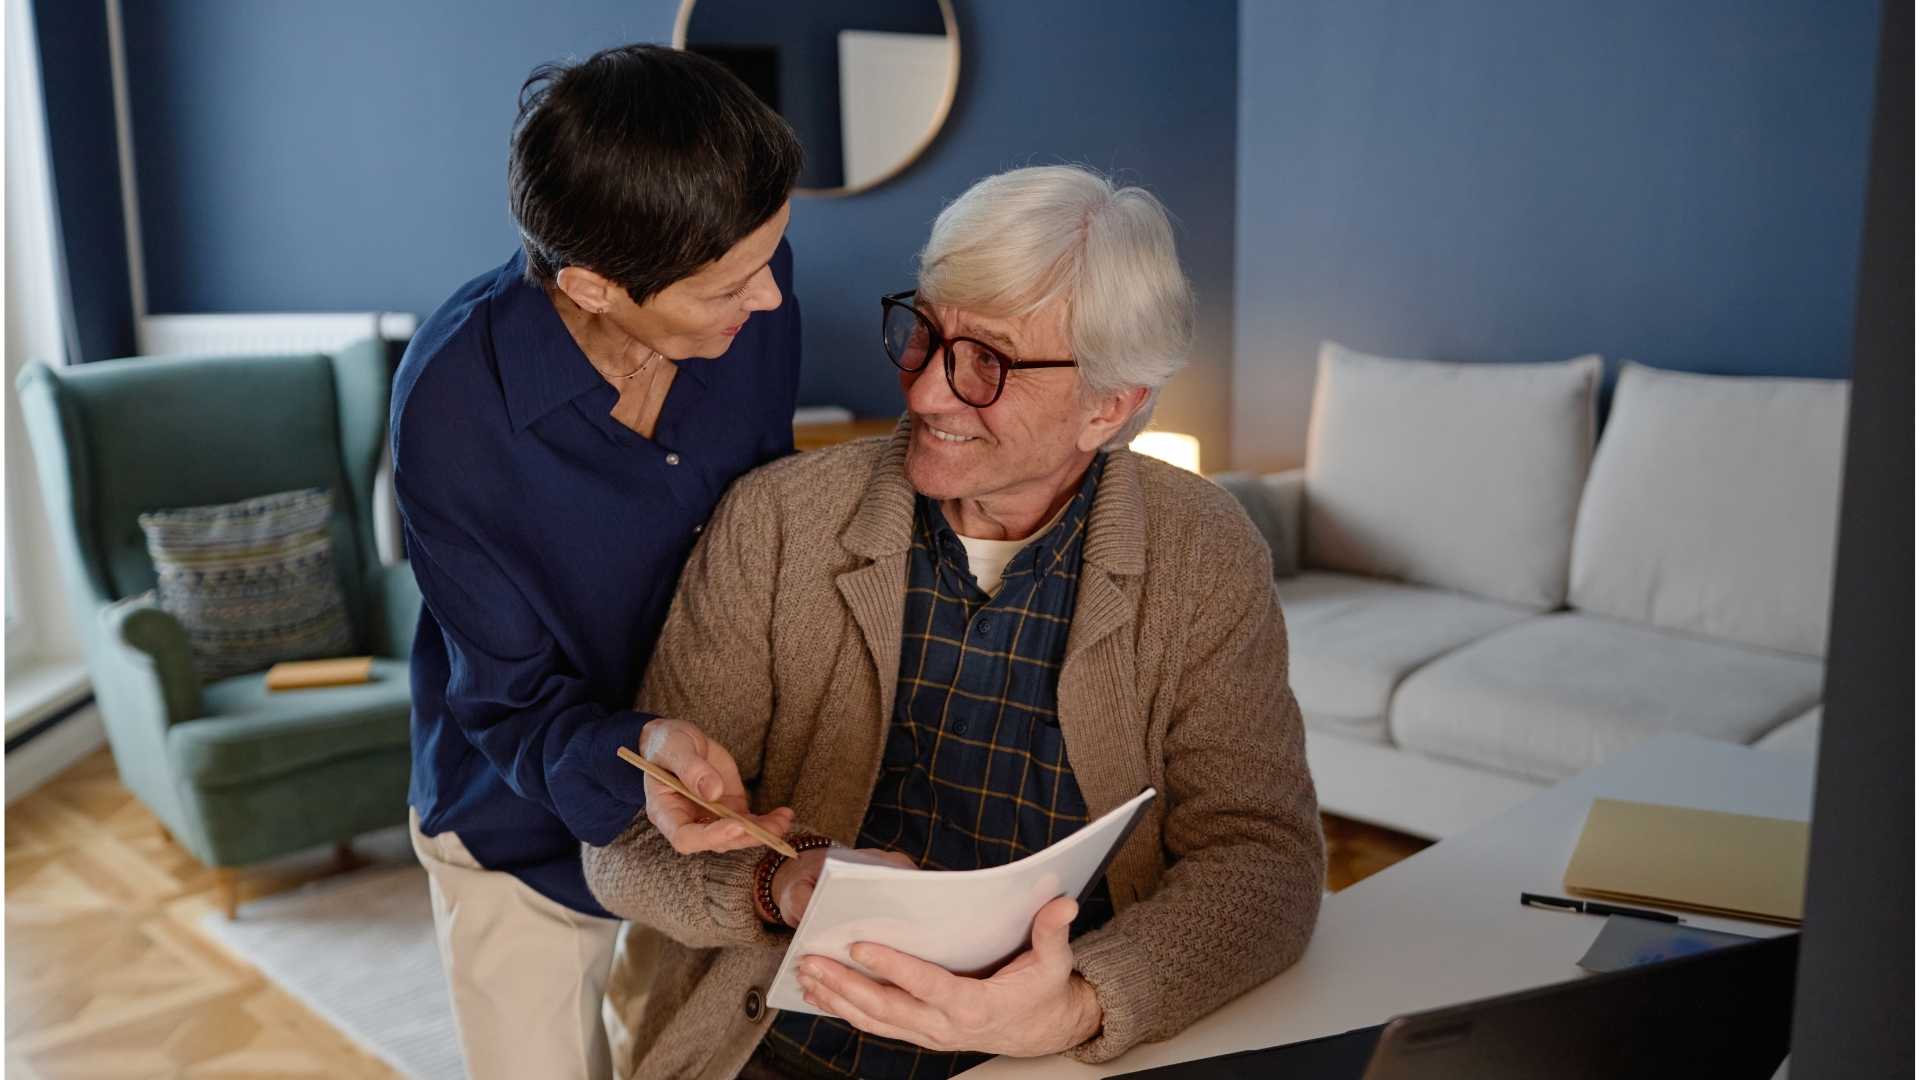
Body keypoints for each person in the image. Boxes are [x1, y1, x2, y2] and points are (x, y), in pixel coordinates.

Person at [583, 165, 1325, 1080]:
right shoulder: (777, 523)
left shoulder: (1203, 553)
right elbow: (622, 843)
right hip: (786, 1053)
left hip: (1049, 1059)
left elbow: (1264, 860)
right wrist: (778, 886)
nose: (930, 391)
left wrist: (1082, 1002)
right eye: (926, 333)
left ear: (1111, 403)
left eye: (990, 362)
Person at [390, 44, 802, 1080]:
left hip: (712, 807)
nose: (768, 302)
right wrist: (645, 745)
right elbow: (514, 703)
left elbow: (768, 519)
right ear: (592, 284)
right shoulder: (452, 414)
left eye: (770, 258)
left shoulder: (749, 276)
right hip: (518, 815)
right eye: (728, 286)